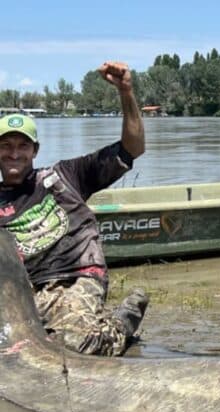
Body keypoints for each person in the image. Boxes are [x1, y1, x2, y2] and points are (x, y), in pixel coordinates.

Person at [0, 61, 147, 356]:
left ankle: (122, 321)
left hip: (77, 277)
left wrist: (126, 92)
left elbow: (133, 148)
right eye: (5, 145)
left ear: (35, 151)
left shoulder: (64, 176)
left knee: (74, 346)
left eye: (22, 146)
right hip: (28, 293)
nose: (14, 153)